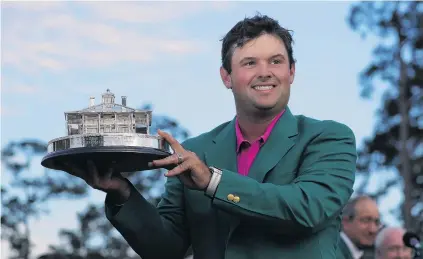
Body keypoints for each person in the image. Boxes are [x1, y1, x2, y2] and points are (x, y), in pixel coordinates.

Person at [59, 14, 358, 259]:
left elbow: (307, 208)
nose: (265, 72)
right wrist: (121, 192)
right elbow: (166, 248)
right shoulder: (195, 150)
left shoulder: (329, 138)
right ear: (226, 77)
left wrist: (212, 182)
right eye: (250, 63)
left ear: (291, 71)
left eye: (276, 61)